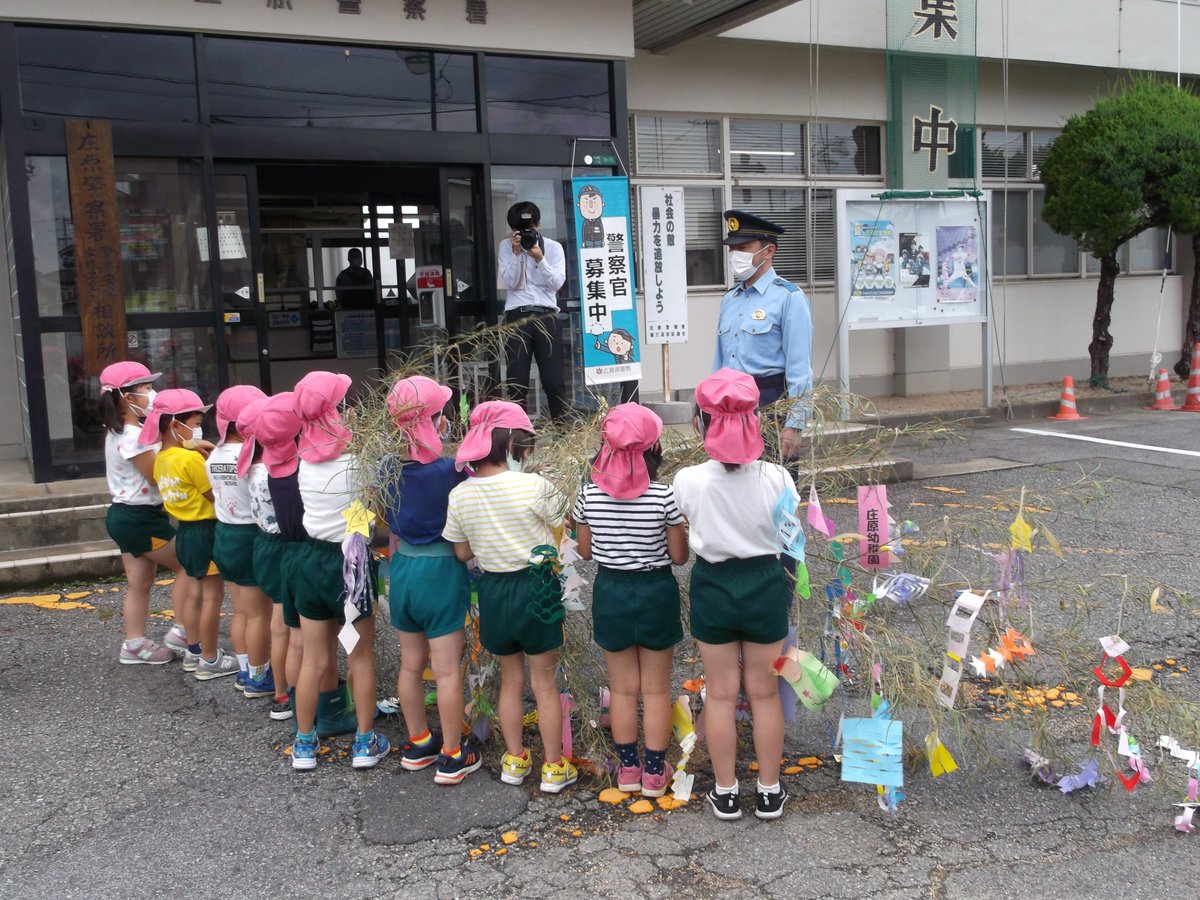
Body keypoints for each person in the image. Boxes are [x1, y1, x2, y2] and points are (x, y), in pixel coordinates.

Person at [673, 369, 796, 821]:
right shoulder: (778, 478)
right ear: (755, 423)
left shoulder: (687, 481)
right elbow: (791, 538)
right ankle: (768, 790)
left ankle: (725, 791)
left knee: (721, 694)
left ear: (700, 425)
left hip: (713, 585)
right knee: (764, 692)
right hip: (765, 583)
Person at [442, 400, 577, 793]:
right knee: (545, 683)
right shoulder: (534, 486)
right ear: (512, 445)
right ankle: (553, 766)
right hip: (537, 588)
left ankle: (514, 760)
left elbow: (462, 552)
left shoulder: (461, 495)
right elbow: (565, 523)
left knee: (510, 681)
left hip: (494, 589)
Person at [572, 403, 687, 797]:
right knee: (656, 689)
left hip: (611, 591)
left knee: (622, 690)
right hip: (656, 591)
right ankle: (656, 774)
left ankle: (627, 770)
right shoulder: (664, 497)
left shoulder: (588, 494)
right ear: (654, 450)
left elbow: (584, 551)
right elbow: (679, 556)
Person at [380, 375, 482, 786]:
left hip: (402, 569)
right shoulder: (451, 470)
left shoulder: (387, 466)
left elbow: (383, 515)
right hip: (442, 571)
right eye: (442, 415)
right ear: (434, 422)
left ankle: (418, 741)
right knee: (446, 671)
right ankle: (453, 753)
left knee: (409, 663)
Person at [288, 371, 389, 771]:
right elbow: (370, 516)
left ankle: (304, 743)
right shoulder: (357, 463)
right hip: (350, 563)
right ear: (334, 412)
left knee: (314, 659)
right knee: (359, 657)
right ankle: (365, 742)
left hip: (310, 560)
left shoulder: (302, 461)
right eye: (342, 405)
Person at [140, 389, 239, 680]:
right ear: (174, 424)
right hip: (206, 531)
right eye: (195, 421)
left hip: (183, 531)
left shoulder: (162, 458)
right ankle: (210, 658)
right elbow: (213, 495)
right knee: (212, 597)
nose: (198, 427)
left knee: (195, 594)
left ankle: (194, 651)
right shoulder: (191, 460)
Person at [98, 361, 190, 665]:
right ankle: (183, 631)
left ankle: (134, 644)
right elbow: (155, 475)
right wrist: (182, 451)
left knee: (140, 582)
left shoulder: (120, 431)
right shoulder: (133, 436)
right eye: (146, 388)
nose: (153, 394)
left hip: (126, 515)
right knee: (190, 564)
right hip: (139, 518)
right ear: (126, 397)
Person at [714, 209, 813, 459]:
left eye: (744, 247)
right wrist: (707, 409)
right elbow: (720, 362)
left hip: (770, 403)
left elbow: (799, 368)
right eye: (732, 248)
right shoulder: (729, 299)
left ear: (769, 251)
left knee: (773, 486)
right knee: (732, 486)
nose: (736, 255)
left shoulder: (789, 298)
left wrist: (794, 424)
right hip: (729, 406)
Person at [208, 385, 270, 696]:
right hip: (249, 536)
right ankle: (260, 677)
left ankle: (246, 671)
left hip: (224, 534)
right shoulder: (251, 458)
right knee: (259, 612)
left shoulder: (213, 455)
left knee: (241, 610)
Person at [496, 201, 568, 420]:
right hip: (517, 316)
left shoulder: (554, 247)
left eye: (530, 229)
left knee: (553, 380)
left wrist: (539, 258)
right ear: (513, 231)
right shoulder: (506, 247)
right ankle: (518, 435)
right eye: (520, 231)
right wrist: (517, 254)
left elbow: (557, 283)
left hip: (547, 316)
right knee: (517, 380)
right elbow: (508, 282)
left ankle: (561, 432)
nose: (527, 234)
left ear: (538, 224)